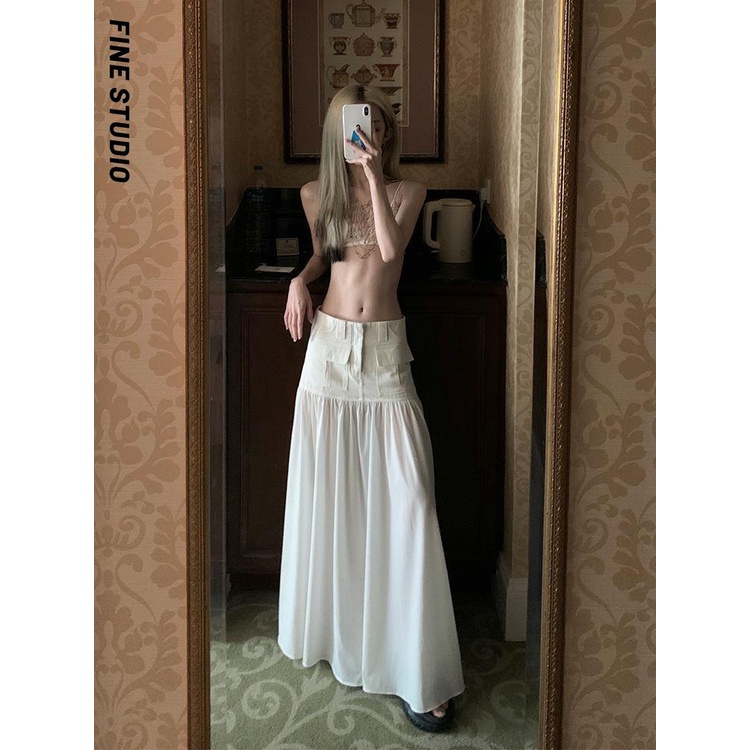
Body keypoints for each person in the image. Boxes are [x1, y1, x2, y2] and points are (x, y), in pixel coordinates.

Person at [277, 84, 465, 733]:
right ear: (339, 130)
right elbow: (325, 257)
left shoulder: (409, 192)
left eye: (379, 124)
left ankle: (419, 668)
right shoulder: (314, 195)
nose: (371, 132)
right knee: (332, 496)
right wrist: (299, 280)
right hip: (328, 354)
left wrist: (371, 174)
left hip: (384, 356)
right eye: (360, 125)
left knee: (410, 502)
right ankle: (336, 633)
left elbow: (388, 250)